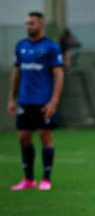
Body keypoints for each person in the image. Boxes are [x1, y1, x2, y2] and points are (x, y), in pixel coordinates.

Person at [7, 12, 64, 192]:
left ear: (41, 25)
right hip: (25, 100)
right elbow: (16, 73)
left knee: (45, 137)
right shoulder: (21, 46)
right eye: (27, 23)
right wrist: (12, 98)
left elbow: (58, 73)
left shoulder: (51, 47)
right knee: (23, 137)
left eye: (32, 23)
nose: (29, 26)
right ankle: (28, 179)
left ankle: (46, 179)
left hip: (43, 101)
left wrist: (54, 101)